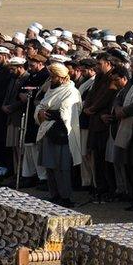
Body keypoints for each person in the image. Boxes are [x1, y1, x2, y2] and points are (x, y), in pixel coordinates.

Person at [35, 62, 82, 207]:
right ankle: (54, 195)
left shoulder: (70, 91)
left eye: (53, 77)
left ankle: (65, 197)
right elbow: (42, 105)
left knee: (62, 167)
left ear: (61, 77)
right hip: (48, 131)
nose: (51, 80)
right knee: (50, 166)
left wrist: (50, 113)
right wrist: (41, 113)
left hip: (62, 133)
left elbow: (67, 111)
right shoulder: (51, 89)